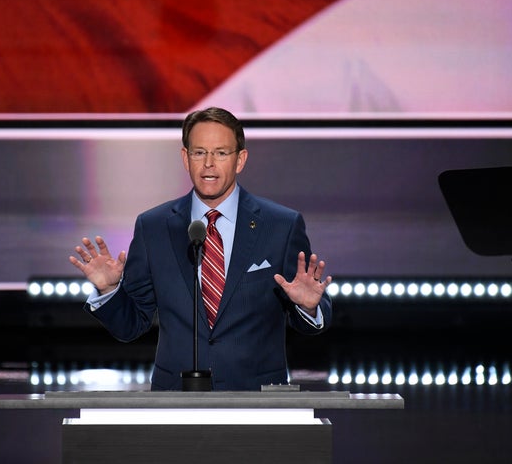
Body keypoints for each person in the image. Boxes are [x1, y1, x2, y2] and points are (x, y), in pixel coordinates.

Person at [69, 107, 332, 391]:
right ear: (186, 157)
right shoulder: (154, 227)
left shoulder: (281, 225)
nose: (209, 163)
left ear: (240, 160)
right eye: (199, 152)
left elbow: (310, 323)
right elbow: (131, 326)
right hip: (175, 400)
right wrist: (110, 291)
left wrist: (307, 306)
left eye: (221, 153)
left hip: (257, 400)